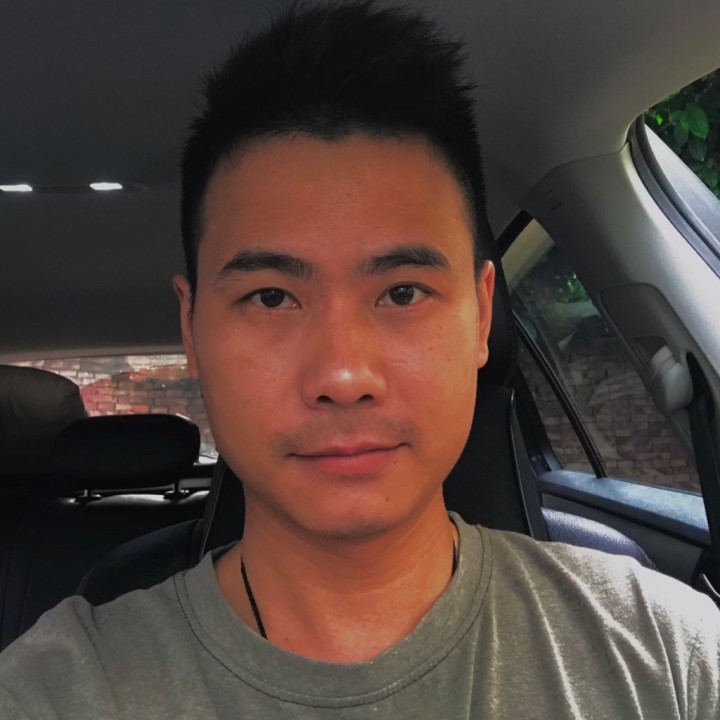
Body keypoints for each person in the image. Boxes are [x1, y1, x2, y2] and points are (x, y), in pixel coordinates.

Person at [1, 1, 719, 717]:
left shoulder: (667, 658)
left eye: (402, 292)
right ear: (191, 328)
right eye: (271, 297)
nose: (343, 377)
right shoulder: (56, 690)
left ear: (480, 314)